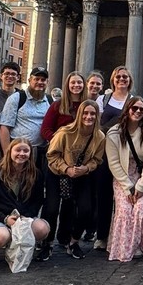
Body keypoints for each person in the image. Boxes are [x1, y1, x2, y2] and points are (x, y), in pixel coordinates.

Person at [47, 100, 105, 259]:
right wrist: (66, 169)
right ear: (79, 114)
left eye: (92, 113)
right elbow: (51, 155)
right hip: (57, 173)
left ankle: (74, 241)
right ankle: (47, 243)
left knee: (86, 209)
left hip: (82, 175)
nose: (89, 117)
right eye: (85, 113)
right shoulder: (64, 133)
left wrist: (86, 168)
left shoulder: (99, 136)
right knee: (51, 209)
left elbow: (97, 160)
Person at [37, 71, 86, 260]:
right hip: (56, 161)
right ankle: (46, 242)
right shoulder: (57, 105)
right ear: (67, 85)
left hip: (77, 161)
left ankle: (65, 238)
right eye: (73, 82)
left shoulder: (86, 106)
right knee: (51, 204)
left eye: (79, 83)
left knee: (70, 203)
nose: (76, 86)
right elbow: (45, 129)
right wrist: (59, 142)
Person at [0, 138, 50, 266]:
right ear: (10, 151)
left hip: (23, 217)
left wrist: (24, 217)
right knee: (1, 236)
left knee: (42, 228)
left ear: (30, 153)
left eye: (26, 151)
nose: (21, 153)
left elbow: (37, 201)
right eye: (18, 150)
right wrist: (5, 219)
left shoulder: (36, 174)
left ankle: (18, 245)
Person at [105, 96, 143, 261]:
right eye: (134, 108)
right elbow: (114, 163)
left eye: (141, 109)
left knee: (140, 209)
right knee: (125, 209)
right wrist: (128, 186)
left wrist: (141, 185)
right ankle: (125, 246)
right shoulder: (114, 133)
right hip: (123, 175)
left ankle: (141, 244)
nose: (137, 111)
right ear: (127, 110)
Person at [93, 66, 133, 249]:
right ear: (113, 80)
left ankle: (122, 235)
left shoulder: (133, 100)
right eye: (118, 77)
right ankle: (102, 235)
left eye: (125, 77)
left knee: (124, 195)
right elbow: (96, 124)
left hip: (124, 152)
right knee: (103, 194)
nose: (121, 79)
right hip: (104, 151)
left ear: (129, 80)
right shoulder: (103, 99)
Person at [0, 66, 52, 155]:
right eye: (36, 79)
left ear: (47, 82)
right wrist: (7, 154)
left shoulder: (50, 100)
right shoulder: (17, 98)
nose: (40, 82)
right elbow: (4, 127)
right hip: (19, 151)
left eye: (43, 80)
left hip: (41, 151)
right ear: (29, 80)